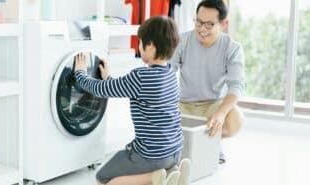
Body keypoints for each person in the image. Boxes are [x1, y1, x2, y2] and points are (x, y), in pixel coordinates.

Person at [74, 16, 185, 185]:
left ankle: (155, 177)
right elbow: (121, 88)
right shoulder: (170, 74)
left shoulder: (140, 77)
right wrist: (109, 78)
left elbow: (100, 90)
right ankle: (171, 171)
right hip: (174, 151)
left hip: (151, 156)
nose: (139, 46)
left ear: (151, 46)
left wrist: (80, 74)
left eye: (140, 42)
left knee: (103, 178)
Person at [169, 0, 246, 163]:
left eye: (209, 25)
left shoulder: (233, 48)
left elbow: (236, 86)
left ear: (224, 24)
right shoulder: (182, 41)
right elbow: (167, 72)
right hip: (183, 104)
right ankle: (195, 148)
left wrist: (221, 113)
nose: (202, 29)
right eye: (198, 22)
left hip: (213, 106)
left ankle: (208, 145)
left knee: (236, 119)